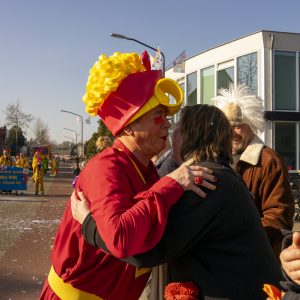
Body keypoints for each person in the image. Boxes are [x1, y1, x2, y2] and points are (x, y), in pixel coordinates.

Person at [40, 51, 216, 300]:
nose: (166, 124)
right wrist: (172, 183)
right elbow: (120, 238)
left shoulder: (146, 169)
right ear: (129, 126)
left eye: (166, 116)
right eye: (158, 117)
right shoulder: (106, 168)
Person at [72, 104, 284, 300]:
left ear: (193, 137)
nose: (172, 134)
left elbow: (144, 250)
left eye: (179, 130)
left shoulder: (205, 183)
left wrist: (89, 223)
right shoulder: (222, 176)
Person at [213, 84, 295, 257]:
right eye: (226, 126)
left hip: (256, 259)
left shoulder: (269, 161)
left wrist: (240, 240)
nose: (232, 132)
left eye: (238, 125)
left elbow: (278, 218)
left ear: (251, 124)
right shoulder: (215, 160)